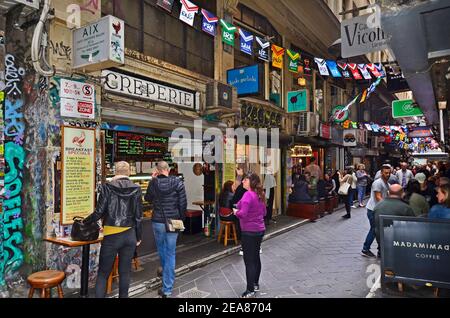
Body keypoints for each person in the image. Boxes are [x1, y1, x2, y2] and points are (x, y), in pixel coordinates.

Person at [83, 161, 143, 298]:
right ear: (128, 172)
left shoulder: (107, 187)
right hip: (130, 234)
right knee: (125, 272)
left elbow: (99, 212)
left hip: (111, 235)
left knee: (103, 273)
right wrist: (138, 236)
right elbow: (138, 216)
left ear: (115, 171)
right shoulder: (136, 188)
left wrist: (84, 222)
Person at [145, 161, 187, 298]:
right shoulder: (178, 182)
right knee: (171, 253)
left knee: (162, 251)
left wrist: (152, 180)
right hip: (173, 221)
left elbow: (147, 199)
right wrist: (180, 219)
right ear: (168, 170)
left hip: (158, 221)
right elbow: (183, 203)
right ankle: (167, 288)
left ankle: (165, 278)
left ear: (157, 170)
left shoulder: (154, 183)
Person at [234, 173, 267, 298]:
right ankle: (255, 283)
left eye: (245, 179)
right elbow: (264, 212)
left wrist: (237, 212)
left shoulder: (248, 194)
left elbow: (243, 214)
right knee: (256, 257)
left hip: (249, 231)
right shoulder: (259, 194)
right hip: (259, 230)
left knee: (249, 261)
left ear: (251, 181)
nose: (243, 181)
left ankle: (250, 289)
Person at [361, 164, 390, 258]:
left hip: (379, 210)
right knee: (374, 230)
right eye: (386, 173)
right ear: (381, 173)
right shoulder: (378, 183)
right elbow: (378, 197)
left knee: (379, 230)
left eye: (389, 173)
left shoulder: (387, 183)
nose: (388, 174)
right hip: (373, 210)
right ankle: (366, 248)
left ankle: (379, 251)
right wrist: (387, 206)